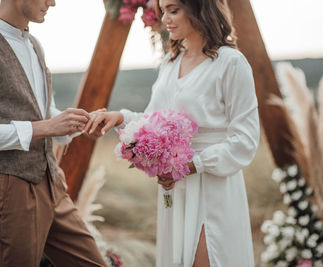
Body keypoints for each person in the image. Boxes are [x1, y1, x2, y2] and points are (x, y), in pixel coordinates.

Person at [85, 0, 260, 266]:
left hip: (214, 184)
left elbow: (245, 140)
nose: (165, 18)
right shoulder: (171, 61)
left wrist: (192, 164)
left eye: (173, 10)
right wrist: (120, 117)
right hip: (174, 188)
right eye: (162, 11)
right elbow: (154, 119)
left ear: (199, 8)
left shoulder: (231, 62)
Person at [0, 0, 107, 266]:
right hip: (10, 188)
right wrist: (46, 127)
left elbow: (43, 114)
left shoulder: (34, 44)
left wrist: (77, 125)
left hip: (52, 182)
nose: (52, 3)